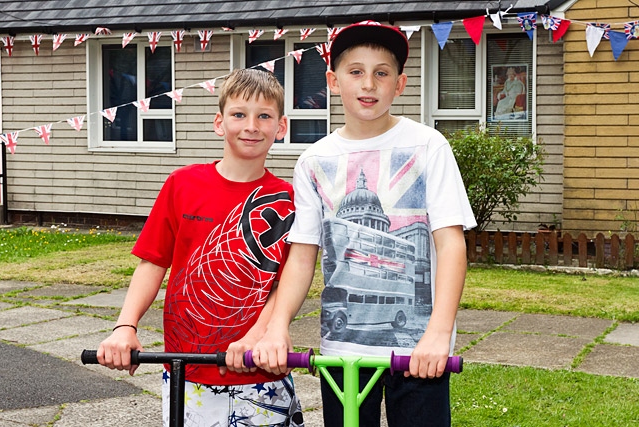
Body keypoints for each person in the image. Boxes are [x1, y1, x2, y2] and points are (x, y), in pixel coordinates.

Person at [249, 21, 476, 426]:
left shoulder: (429, 146)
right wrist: (277, 326)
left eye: (381, 72)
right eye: (356, 71)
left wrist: (438, 334)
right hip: (342, 354)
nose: (368, 84)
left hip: (417, 351)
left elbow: (450, 243)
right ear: (334, 81)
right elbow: (302, 255)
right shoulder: (314, 160)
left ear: (400, 84)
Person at [97, 68, 304, 427]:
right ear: (219, 123)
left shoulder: (290, 200)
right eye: (239, 114)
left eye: (264, 116)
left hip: (261, 370)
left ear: (281, 127)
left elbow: (286, 283)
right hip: (187, 372)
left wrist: (259, 337)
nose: (251, 126)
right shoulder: (182, 184)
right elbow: (152, 263)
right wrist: (124, 327)